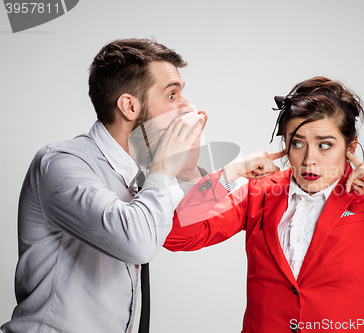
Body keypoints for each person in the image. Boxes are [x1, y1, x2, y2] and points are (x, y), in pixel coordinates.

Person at [1, 38, 277, 333]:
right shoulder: (61, 164)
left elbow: (181, 218)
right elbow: (138, 242)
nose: (187, 107)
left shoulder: (137, 172)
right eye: (173, 95)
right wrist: (164, 167)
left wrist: (222, 170)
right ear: (129, 106)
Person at [164, 76, 364, 332]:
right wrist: (230, 173)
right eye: (297, 144)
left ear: (350, 146)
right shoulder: (258, 193)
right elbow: (174, 235)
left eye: (325, 145)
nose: (309, 159)